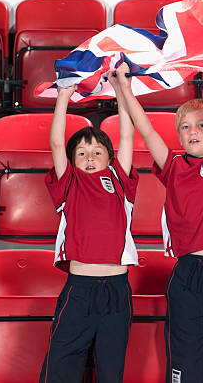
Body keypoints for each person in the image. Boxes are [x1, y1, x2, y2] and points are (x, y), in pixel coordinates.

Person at [113, 58, 203, 383]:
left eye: (201, 125)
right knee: (184, 360)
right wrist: (125, 87)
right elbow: (145, 129)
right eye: (186, 126)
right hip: (186, 273)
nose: (193, 131)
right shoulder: (173, 165)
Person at [39, 73, 139, 383]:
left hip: (117, 292)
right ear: (72, 161)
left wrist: (123, 92)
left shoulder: (120, 180)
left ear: (110, 158)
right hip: (79, 291)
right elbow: (56, 142)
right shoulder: (69, 184)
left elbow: (127, 136)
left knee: (110, 370)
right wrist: (63, 96)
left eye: (97, 152)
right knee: (61, 366)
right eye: (82, 154)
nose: (90, 158)